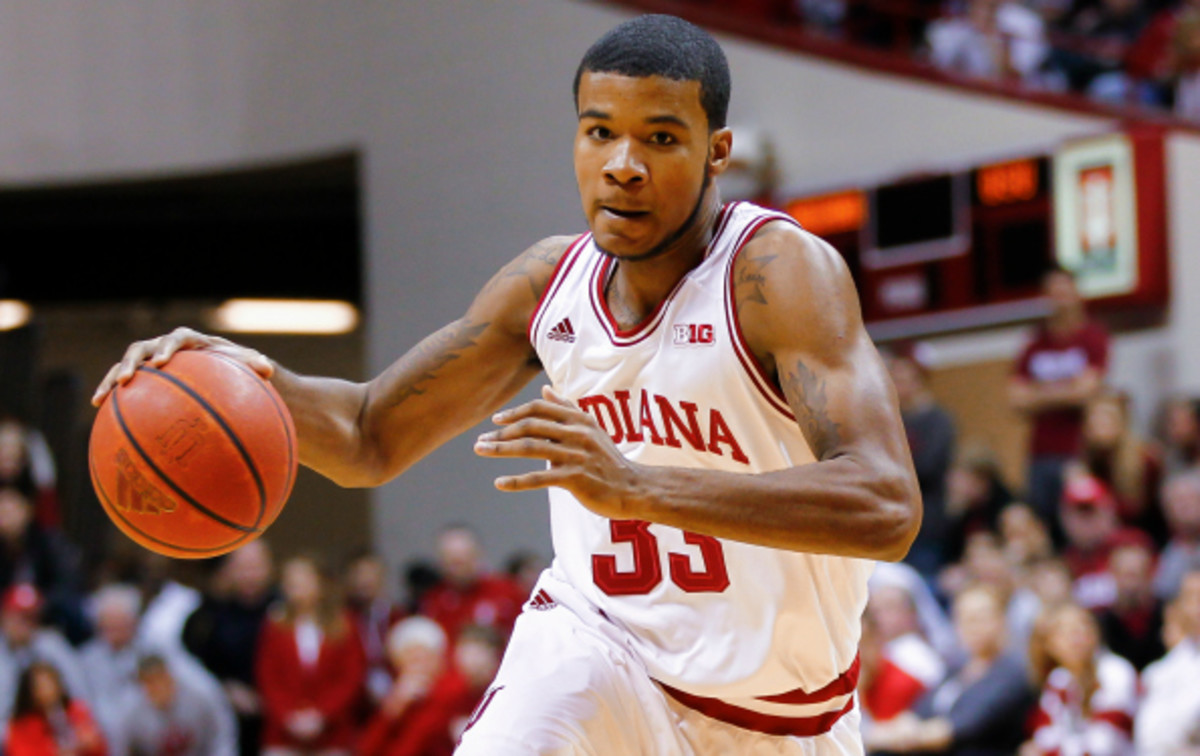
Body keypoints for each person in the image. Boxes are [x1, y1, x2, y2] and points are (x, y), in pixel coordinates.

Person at [93, 14, 922, 753]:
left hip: (781, 720)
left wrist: (636, 487)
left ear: (718, 152)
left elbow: (885, 505)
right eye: (600, 133)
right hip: (600, 652)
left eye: (661, 139)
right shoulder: (545, 287)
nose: (624, 165)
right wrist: (228, 378)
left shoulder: (775, 276)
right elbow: (369, 434)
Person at [863, 584, 1035, 755]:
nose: (971, 627)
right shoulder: (956, 668)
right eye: (963, 618)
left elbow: (958, 729)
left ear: (1002, 620)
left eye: (980, 618)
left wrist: (881, 738)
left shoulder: (1014, 672)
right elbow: (915, 713)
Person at [1009, 268, 1109, 533]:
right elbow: (1017, 400)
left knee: (1078, 525)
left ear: (1077, 293)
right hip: (1039, 453)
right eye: (1053, 292)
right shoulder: (1034, 343)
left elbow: (1086, 392)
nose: (1059, 297)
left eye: (1064, 290)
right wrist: (1068, 389)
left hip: (1078, 450)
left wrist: (1039, 392)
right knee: (1041, 525)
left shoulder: (1093, 337)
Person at [255, 555, 365, 756]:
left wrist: (322, 715)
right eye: (290, 582)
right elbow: (268, 676)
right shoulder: (275, 624)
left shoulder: (345, 624)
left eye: (303, 580)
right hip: (284, 733)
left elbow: (351, 676)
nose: (295, 587)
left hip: (333, 733)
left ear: (321, 583)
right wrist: (288, 717)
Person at [1024, 602, 1138, 755]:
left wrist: (1049, 751)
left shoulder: (1115, 672)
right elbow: (1043, 737)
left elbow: (1104, 746)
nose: (1076, 638)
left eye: (1082, 628)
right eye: (1064, 632)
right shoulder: (1060, 679)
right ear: (1048, 645)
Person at [886, 343, 956, 577]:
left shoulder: (938, 421)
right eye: (893, 378)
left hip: (927, 522)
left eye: (903, 378)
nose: (897, 384)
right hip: (894, 520)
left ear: (919, 380)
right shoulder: (890, 422)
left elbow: (928, 467)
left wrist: (888, 470)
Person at [418, 525, 525, 646]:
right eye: (452, 562)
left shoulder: (508, 591)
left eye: (465, 560)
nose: (458, 569)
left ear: (478, 555)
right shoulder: (433, 602)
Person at [115, 654, 238, 756]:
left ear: (170, 676)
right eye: (150, 683)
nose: (159, 687)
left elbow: (223, 735)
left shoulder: (199, 695)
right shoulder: (131, 713)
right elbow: (123, 749)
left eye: (161, 679)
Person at [7, 662, 106, 756]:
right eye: (40, 686)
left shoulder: (77, 710)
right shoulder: (22, 725)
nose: (47, 691)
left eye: (50, 683)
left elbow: (100, 748)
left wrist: (90, 745)